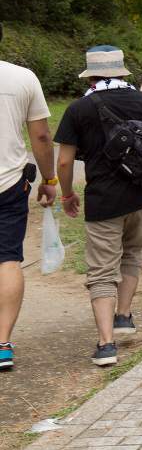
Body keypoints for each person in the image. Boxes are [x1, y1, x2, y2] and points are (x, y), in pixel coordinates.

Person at [52, 45, 142, 367]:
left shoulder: (79, 108)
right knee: (132, 255)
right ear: (121, 71)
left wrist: (67, 194)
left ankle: (106, 344)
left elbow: (65, 162)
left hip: (103, 201)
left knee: (101, 270)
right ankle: (123, 316)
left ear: (91, 76)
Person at [0, 23, 58, 371]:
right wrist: (49, 179)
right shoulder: (23, 78)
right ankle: (2, 344)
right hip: (8, 183)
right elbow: (41, 137)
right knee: (7, 258)